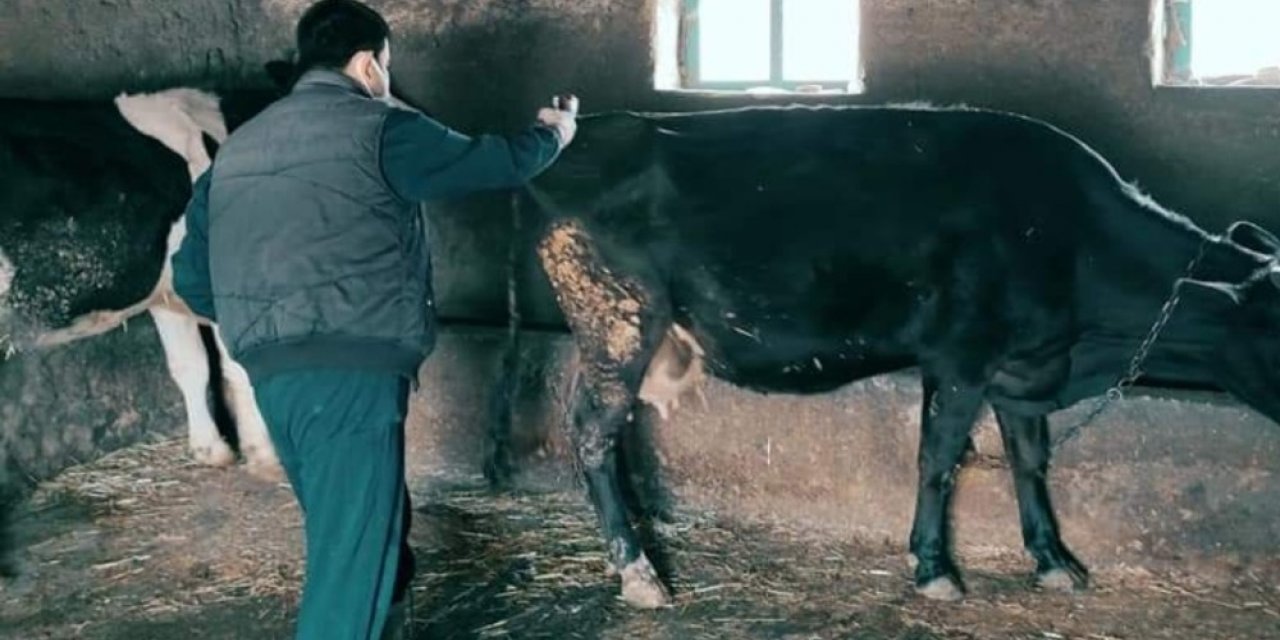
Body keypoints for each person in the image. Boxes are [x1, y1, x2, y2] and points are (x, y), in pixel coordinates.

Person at [169, 1, 577, 637]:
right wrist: (555, 134)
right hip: (351, 373)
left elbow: (194, 279)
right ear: (367, 63)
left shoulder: (235, 153)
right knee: (349, 568)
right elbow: (492, 163)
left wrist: (269, 324)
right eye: (386, 65)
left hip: (274, 378)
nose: (384, 77)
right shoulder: (378, 127)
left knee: (368, 533)